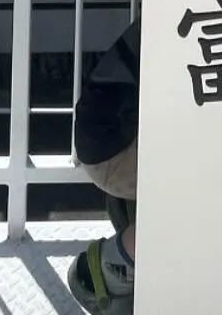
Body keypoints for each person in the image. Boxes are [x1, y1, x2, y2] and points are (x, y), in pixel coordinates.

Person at [67, 16, 139, 310]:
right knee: (213, 179)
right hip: (115, 148)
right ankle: (116, 262)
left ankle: (131, 219)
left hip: (111, 135)